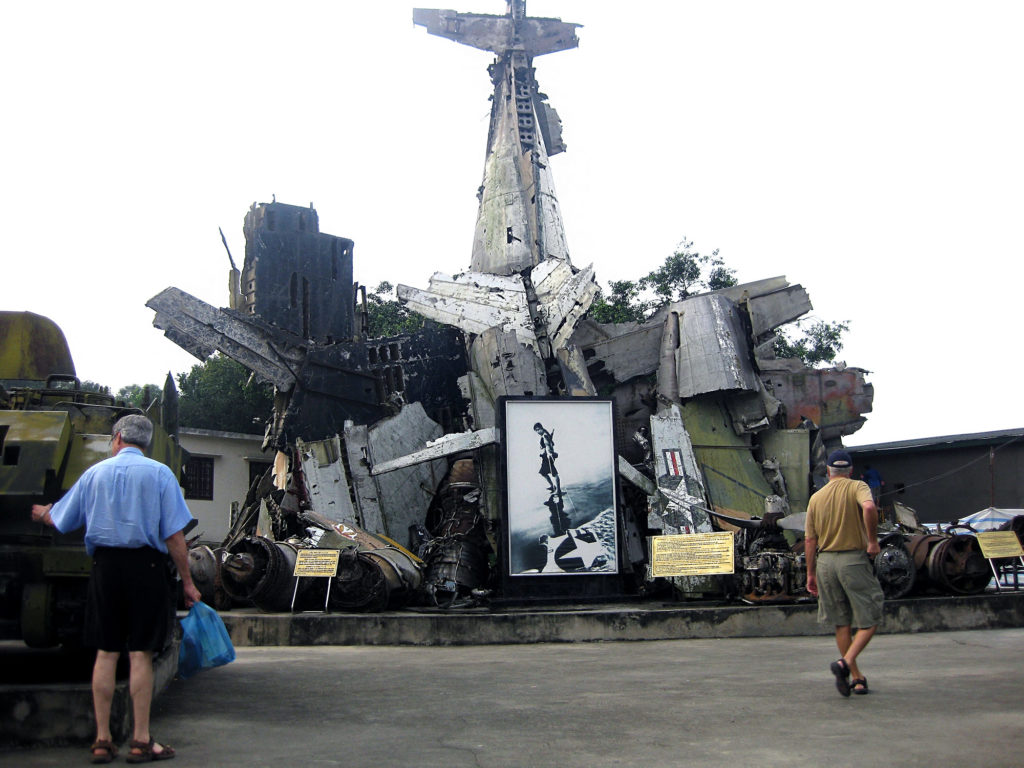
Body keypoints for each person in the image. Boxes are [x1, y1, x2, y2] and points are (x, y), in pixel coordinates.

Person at [32, 414, 201, 763]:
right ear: (145, 442)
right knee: (140, 654)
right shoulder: (160, 474)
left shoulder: (94, 473)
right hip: (147, 570)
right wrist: (187, 582)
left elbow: (61, 519)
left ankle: (102, 740)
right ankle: (141, 741)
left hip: (105, 570)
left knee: (106, 653)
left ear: (119, 438)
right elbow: (174, 537)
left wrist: (43, 513)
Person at [804, 449, 883, 698]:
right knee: (870, 619)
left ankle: (857, 679)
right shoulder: (857, 486)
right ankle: (844, 664)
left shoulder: (816, 498)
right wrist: (872, 541)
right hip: (852, 561)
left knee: (842, 623)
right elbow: (869, 508)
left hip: (825, 563)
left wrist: (810, 573)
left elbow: (809, 540)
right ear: (849, 470)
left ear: (828, 472)